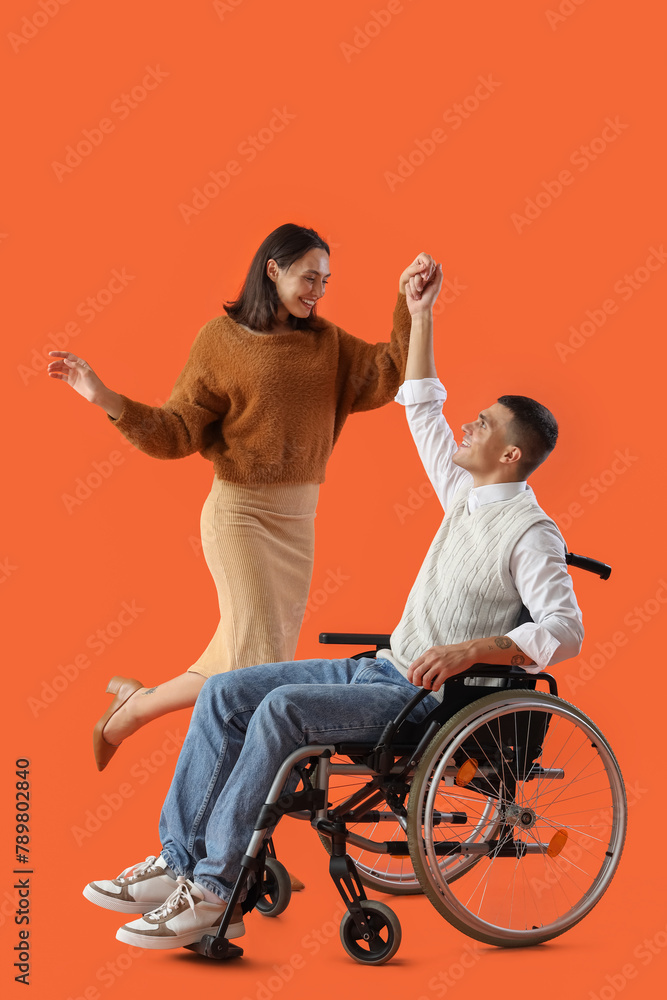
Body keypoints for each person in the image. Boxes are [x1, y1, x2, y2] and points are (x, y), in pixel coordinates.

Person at [82, 258, 584, 950]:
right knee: (227, 693)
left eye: (484, 424)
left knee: (282, 710)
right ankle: (177, 862)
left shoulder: (531, 533)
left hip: (427, 702)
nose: (467, 426)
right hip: (381, 671)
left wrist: (472, 649)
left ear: (511, 454)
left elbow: (563, 627)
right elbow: (419, 403)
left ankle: (214, 888)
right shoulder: (466, 496)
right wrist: (423, 311)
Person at [47, 224, 436, 774]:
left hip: (298, 525)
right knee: (262, 665)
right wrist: (105, 397)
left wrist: (412, 306)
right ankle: (238, 817)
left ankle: (132, 710)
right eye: (308, 278)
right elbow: (177, 431)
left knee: (237, 662)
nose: (317, 292)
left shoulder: (328, 345)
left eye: (325, 281)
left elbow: (392, 372)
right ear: (272, 269)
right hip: (242, 517)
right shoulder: (220, 341)